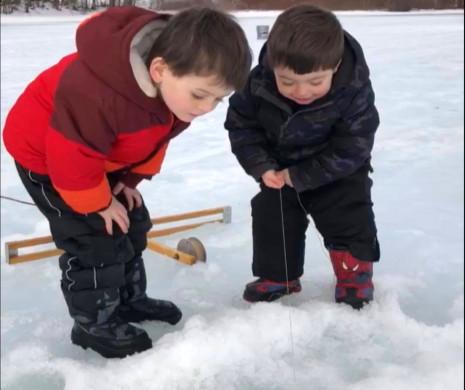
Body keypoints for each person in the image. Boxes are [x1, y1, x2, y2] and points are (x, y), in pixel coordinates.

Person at [3, 5, 251, 358]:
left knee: (132, 221)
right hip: (48, 157)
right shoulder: (96, 93)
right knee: (94, 235)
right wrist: (98, 203)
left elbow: (154, 136)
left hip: (99, 155)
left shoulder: (173, 89)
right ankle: (94, 324)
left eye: (217, 99)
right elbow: (70, 156)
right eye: (200, 95)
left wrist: (130, 179)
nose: (207, 108)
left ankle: (129, 300)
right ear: (160, 69)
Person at [225, 4, 380, 309]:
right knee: (272, 212)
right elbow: (241, 127)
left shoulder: (354, 89)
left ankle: (354, 275)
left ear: (334, 66)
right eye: (288, 81)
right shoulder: (256, 84)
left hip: (339, 169)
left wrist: (301, 175)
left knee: (348, 213)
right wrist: (262, 166)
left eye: (314, 82)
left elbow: (355, 144)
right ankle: (278, 275)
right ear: (272, 64)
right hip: (280, 168)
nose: (301, 91)